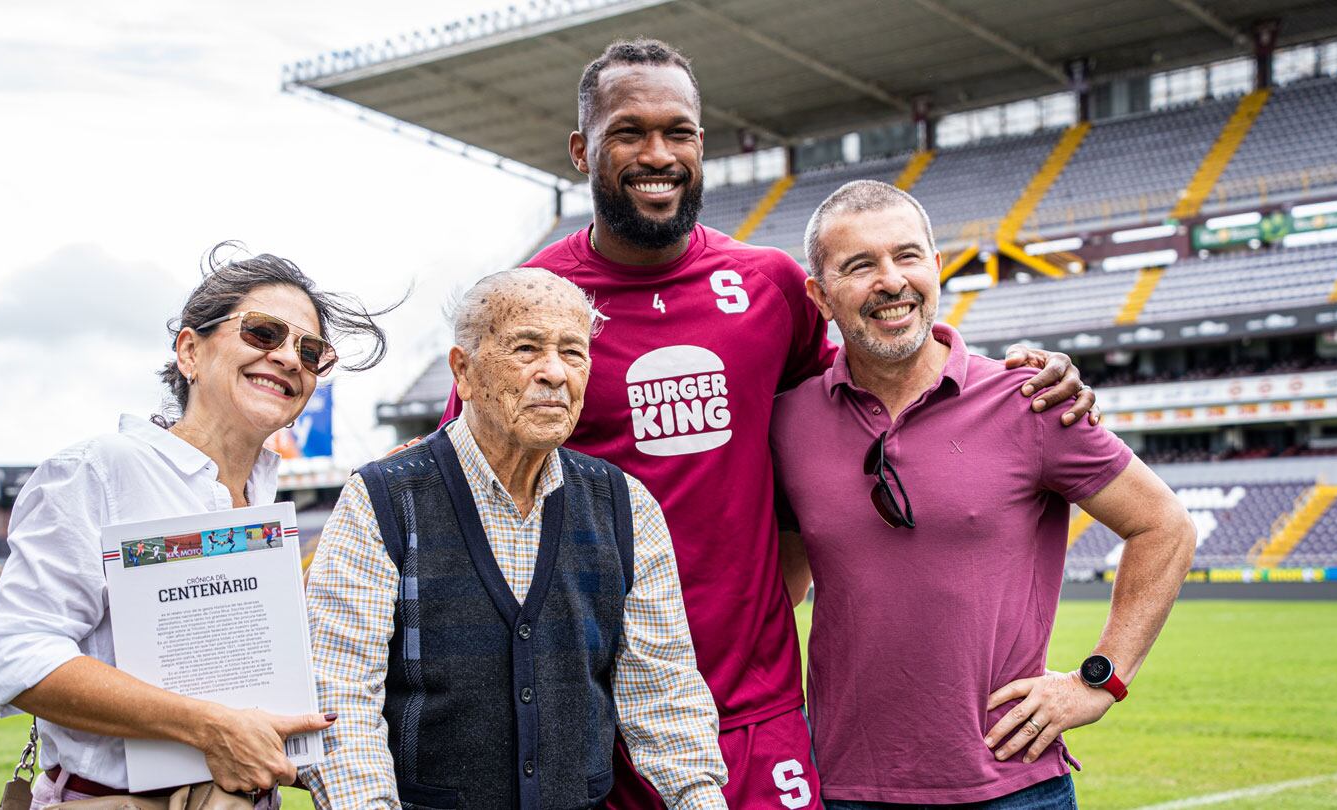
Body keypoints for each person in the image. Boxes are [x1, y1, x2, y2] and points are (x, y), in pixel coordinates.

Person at [442, 39, 1100, 809]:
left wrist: (1004, 375)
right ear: (583, 149)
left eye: (679, 131)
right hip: (593, 712)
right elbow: (467, 483)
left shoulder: (770, 288)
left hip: (757, 711)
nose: (658, 153)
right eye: (629, 131)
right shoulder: (534, 301)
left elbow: (870, 384)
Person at [770, 181, 1197, 808]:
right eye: (860, 266)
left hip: (1014, 786)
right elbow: (788, 583)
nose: (891, 282)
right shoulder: (786, 423)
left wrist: (1099, 681)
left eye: (908, 256)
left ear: (937, 267)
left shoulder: (1032, 401)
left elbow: (1165, 525)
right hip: (843, 786)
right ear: (820, 295)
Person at [0, 243, 392, 809]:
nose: (290, 358)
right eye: (264, 333)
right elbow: (9, 653)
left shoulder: (266, 497)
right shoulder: (102, 469)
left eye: (310, 350)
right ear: (189, 352)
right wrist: (207, 727)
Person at [303, 268, 729, 809]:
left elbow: (663, 695)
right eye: (526, 348)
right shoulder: (382, 499)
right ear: (464, 371)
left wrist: (700, 800)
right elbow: (342, 698)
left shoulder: (626, 505)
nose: (554, 373)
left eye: (573, 353)